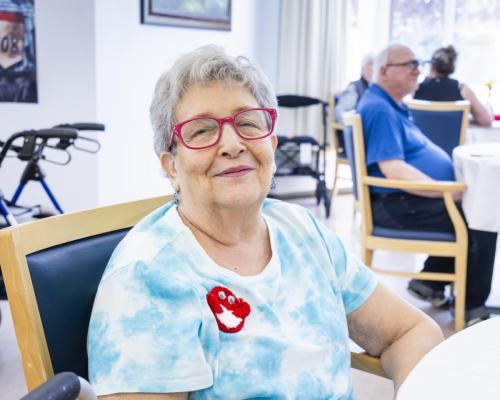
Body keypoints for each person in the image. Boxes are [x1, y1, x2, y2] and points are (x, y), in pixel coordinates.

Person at [87, 45, 443, 399]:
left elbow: (411, 331)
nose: (231, 143)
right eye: (201, 130)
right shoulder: (148, 278)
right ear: (170, 166)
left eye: (247, 123)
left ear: (271, 145)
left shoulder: (302, 231)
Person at [357, 44, 498, 320]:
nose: (417, 70)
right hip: (397, 206)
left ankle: (430, 283)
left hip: (402, 200)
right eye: (409, 65)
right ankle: (473, 308)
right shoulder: (381, 110)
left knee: (478, 210)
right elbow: (394, 170)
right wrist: (447, 193)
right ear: (384, 71)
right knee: (482, 216)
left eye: (418, 63)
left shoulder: (390, 104)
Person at [414, 45, 492, 127]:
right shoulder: (462, 89)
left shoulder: (415, 89)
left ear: (431, 66)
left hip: (421, 140)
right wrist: (463, 120)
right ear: (451, 67)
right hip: (451, 140)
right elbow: (486, 121)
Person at [335, 53, 374, 124]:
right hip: (357, 131)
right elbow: (342, 115)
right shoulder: (354, 88)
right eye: (370, 68)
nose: (373, 71)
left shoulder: (376, 89)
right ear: (362, 70)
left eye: (375, 68)